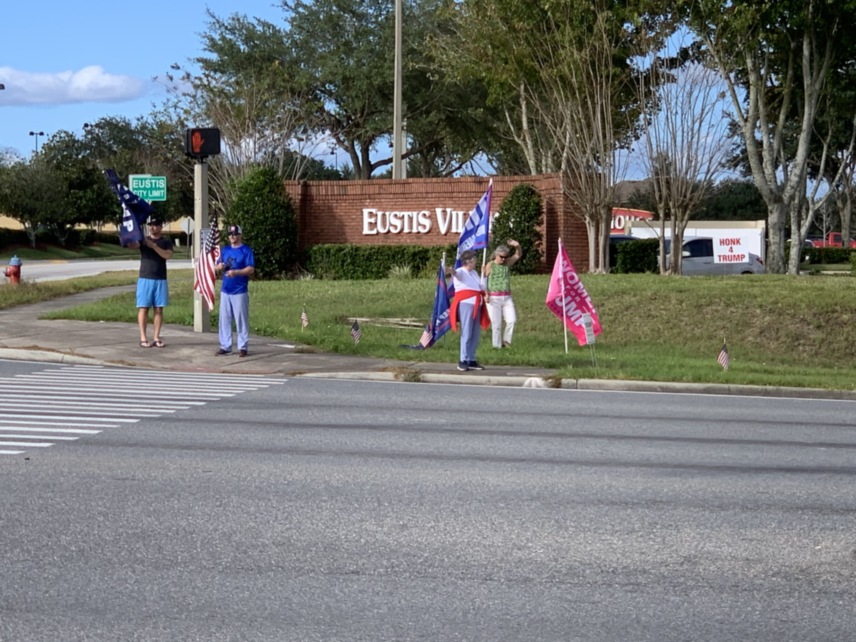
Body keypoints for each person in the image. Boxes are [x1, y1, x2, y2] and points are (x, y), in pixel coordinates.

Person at [127, 216, 173, 348]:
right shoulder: (143, 240)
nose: (152, 227)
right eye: (150, 225)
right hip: (145, 278)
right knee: (144, 308)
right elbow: (133, 245)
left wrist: (153, 246)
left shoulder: (166, 242)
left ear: (160, 226)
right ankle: (143, 337)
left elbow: (167, 255)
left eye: (155, 225)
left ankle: (156, 337)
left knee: (159, 309)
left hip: (160, 279)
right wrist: (127, 238)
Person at [215, 225, 256, 357]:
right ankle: (225, 345)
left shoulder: (246, 250)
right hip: (226, 289)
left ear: (240, 235)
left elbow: (251, 269)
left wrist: (237, 272)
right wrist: (219, 267)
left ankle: (242, 346)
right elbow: (216, 266)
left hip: (239, 290)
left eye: (235, 234)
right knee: (224, 319)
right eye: (230, 234)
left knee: (241, 319)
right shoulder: (225, 250)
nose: (232, 236)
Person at [449, 249, 490, 371]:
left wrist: (485, 276)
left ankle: (471, 358)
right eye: (474, 260)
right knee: (466, 332)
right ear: (468, 261)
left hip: (477, 305)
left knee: (475, 333)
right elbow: (456, 274)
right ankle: (463, 359)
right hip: (466, 304)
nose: (476, 262)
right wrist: (451, 270)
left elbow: (481, 287)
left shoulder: (475, 273)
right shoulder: (461, 271)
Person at [483, 240, 521, 349]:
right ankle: (496, 346)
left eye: (505, 257)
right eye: (501, 257)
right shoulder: (490, 265)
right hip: (493, 298)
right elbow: (483, 280)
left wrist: (517, 246)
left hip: (506, 297)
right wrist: (486, 293)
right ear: (496, 255)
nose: (503, 259)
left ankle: (506, 341)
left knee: (512, 320)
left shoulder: (507, 263)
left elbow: (517, 255)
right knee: (496, 324)